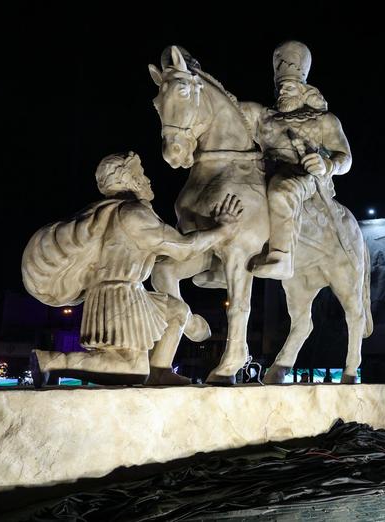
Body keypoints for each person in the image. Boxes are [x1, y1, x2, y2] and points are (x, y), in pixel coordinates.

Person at [26, 152, 242, 386]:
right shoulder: (133, 214)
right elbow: (183, 248)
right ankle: (50, 360)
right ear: (128, 179)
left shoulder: (103, 211)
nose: (147, 179)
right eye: (140, 174)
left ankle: (160, 370)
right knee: (130, 369)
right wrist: (222, 230)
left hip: (130, 291)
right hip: (118, 296)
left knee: (176, 311)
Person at [249, 41, 352, 280]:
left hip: (301, 176)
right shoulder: (264, 117)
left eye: (290, 87)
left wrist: (327, 165)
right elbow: (230, 109)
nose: (283, 92)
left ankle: (281, 257)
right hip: (263, 171)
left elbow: (345, 158)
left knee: (280, 190)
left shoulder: (324, 119)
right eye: (280, 88)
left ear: (305, 90)